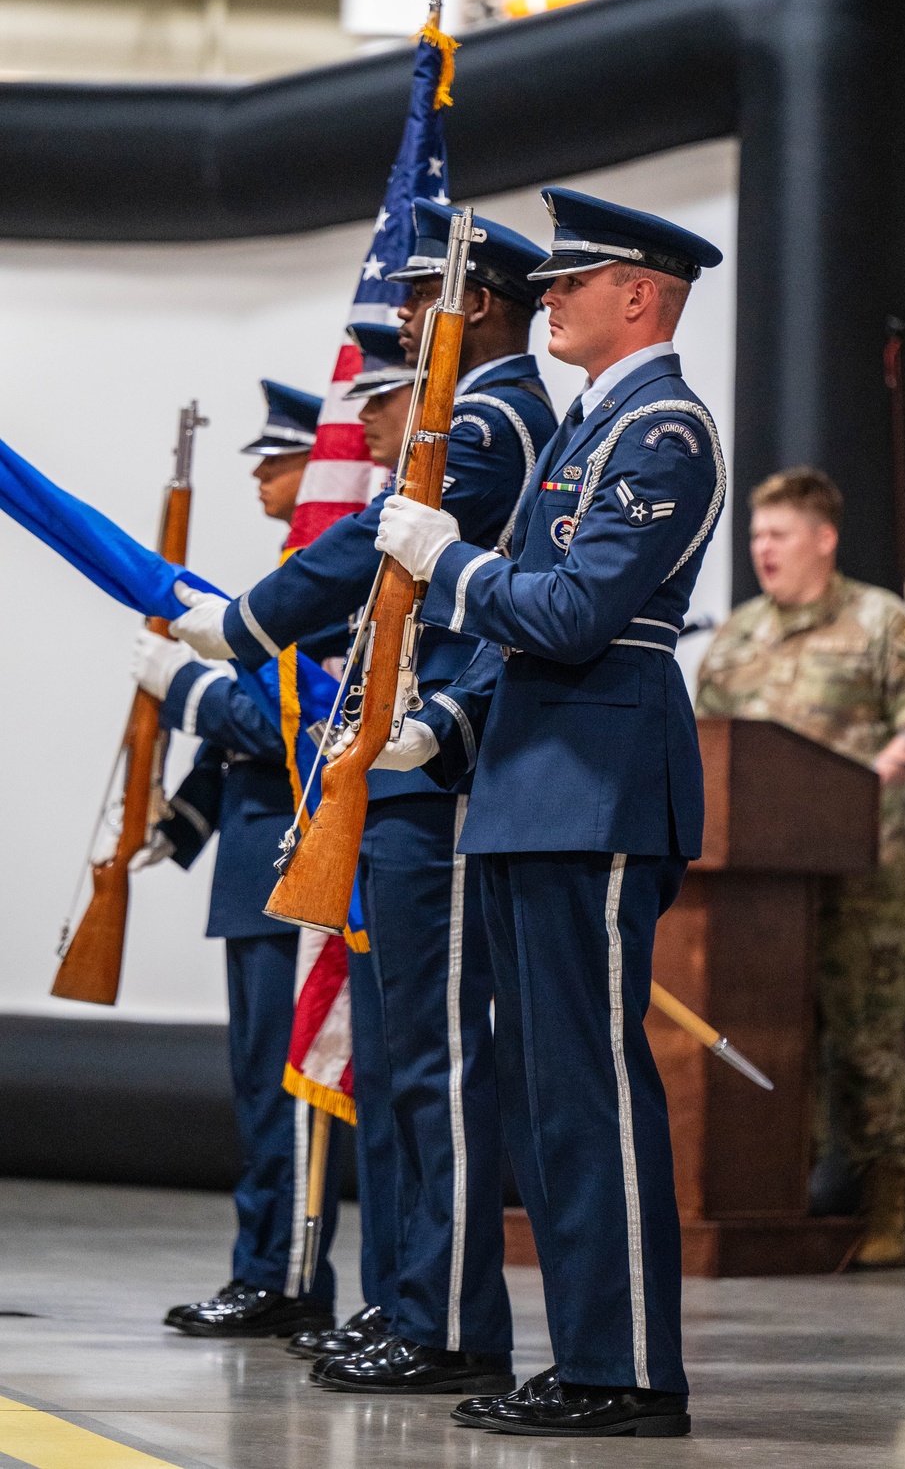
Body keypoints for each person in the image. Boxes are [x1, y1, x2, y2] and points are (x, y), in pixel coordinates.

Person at [167, 208, 559, 1397]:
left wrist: (243, 624)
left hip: (434, 768)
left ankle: (444, 1321)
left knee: (430, 1064)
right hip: (399, 766)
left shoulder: (490, 419)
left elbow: (376, 563)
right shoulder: (489, 416)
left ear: (474, 302)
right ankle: (409, 1300)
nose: (400, 326)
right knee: (397, 1066)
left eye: (419, 303)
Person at [369, 186, 726, 1438]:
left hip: (599, 784)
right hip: (533, 781)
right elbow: (533, 637)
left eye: (576, 280)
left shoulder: (664, 429)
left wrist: (445, 563)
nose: (551, 297)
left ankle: (626, 1371)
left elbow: (575, 617)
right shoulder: (589, 426)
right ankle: (587, 1358)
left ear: (642, 295)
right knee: (541, 1090)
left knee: (588, 1085)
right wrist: (448, 728)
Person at [132, 379, 352, 1338]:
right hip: (253, 871)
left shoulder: (324, 584)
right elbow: (242, 752)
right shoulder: (286, 578)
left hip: (293, 872)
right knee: (257, 1091)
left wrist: (186, 690)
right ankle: (265, 1266)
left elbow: (282, 724)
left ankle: (288, 1278)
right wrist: (178, 824)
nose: (262, 473)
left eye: (279, 458)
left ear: (320, 465)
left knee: (288, 1091)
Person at [695, 467, 905, 1268]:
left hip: (859, 873)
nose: (763, 549)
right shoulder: (735, 636)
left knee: (867, 1037)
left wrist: (858, 786)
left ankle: (884, 1207)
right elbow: (708, 746)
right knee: (773, 1036)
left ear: (823, 539)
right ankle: (779, 1197)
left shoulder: (883, 623)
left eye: (778, 534)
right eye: (756, 535)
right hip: (759, 888)